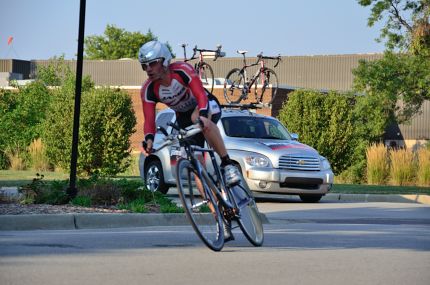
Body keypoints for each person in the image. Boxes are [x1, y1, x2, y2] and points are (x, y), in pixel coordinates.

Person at [139, 40, 239, 240]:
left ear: (165, 61)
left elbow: (201, 95)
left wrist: (203, 115)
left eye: (153, 63)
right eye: (144, 65)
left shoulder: (182, 71)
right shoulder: (149, 90)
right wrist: (148, 140)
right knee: (197, 170)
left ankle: (227, 164)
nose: (148, 69)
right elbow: (149, 121)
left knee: (198, 119)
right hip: (183, 116)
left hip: (204, 104)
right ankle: (219, 217)